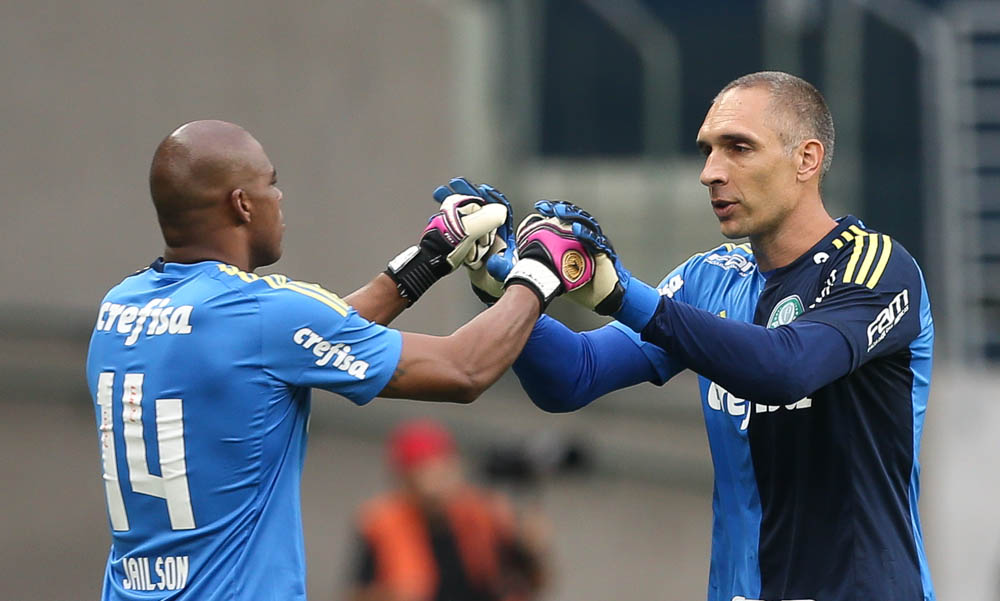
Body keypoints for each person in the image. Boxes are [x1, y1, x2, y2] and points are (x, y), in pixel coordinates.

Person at [84, 120, 597, 600]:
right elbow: (464, 370)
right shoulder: (264, 315)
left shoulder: (121, 306)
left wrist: (430, 257)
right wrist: (537, 274)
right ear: (241, 204)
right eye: (272, 184)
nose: (279, 198)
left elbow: (307, 338)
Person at [477, 72, 934, 601]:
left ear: (806, 160)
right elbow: (573, 377)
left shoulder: (875, 266)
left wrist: (621, 294)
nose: (710, 172)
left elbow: (787, 370)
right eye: (707, 150)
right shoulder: (708, 277)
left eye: (738, 148)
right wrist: (506, 283)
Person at [345, 419, 548, 601]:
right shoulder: (382, 523)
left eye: (441, 473)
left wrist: (533, 550)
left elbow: (533, 583)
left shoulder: (482, 514)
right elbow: (356, 593)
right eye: (421, 475)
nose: (434, 486)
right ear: (403, 480)